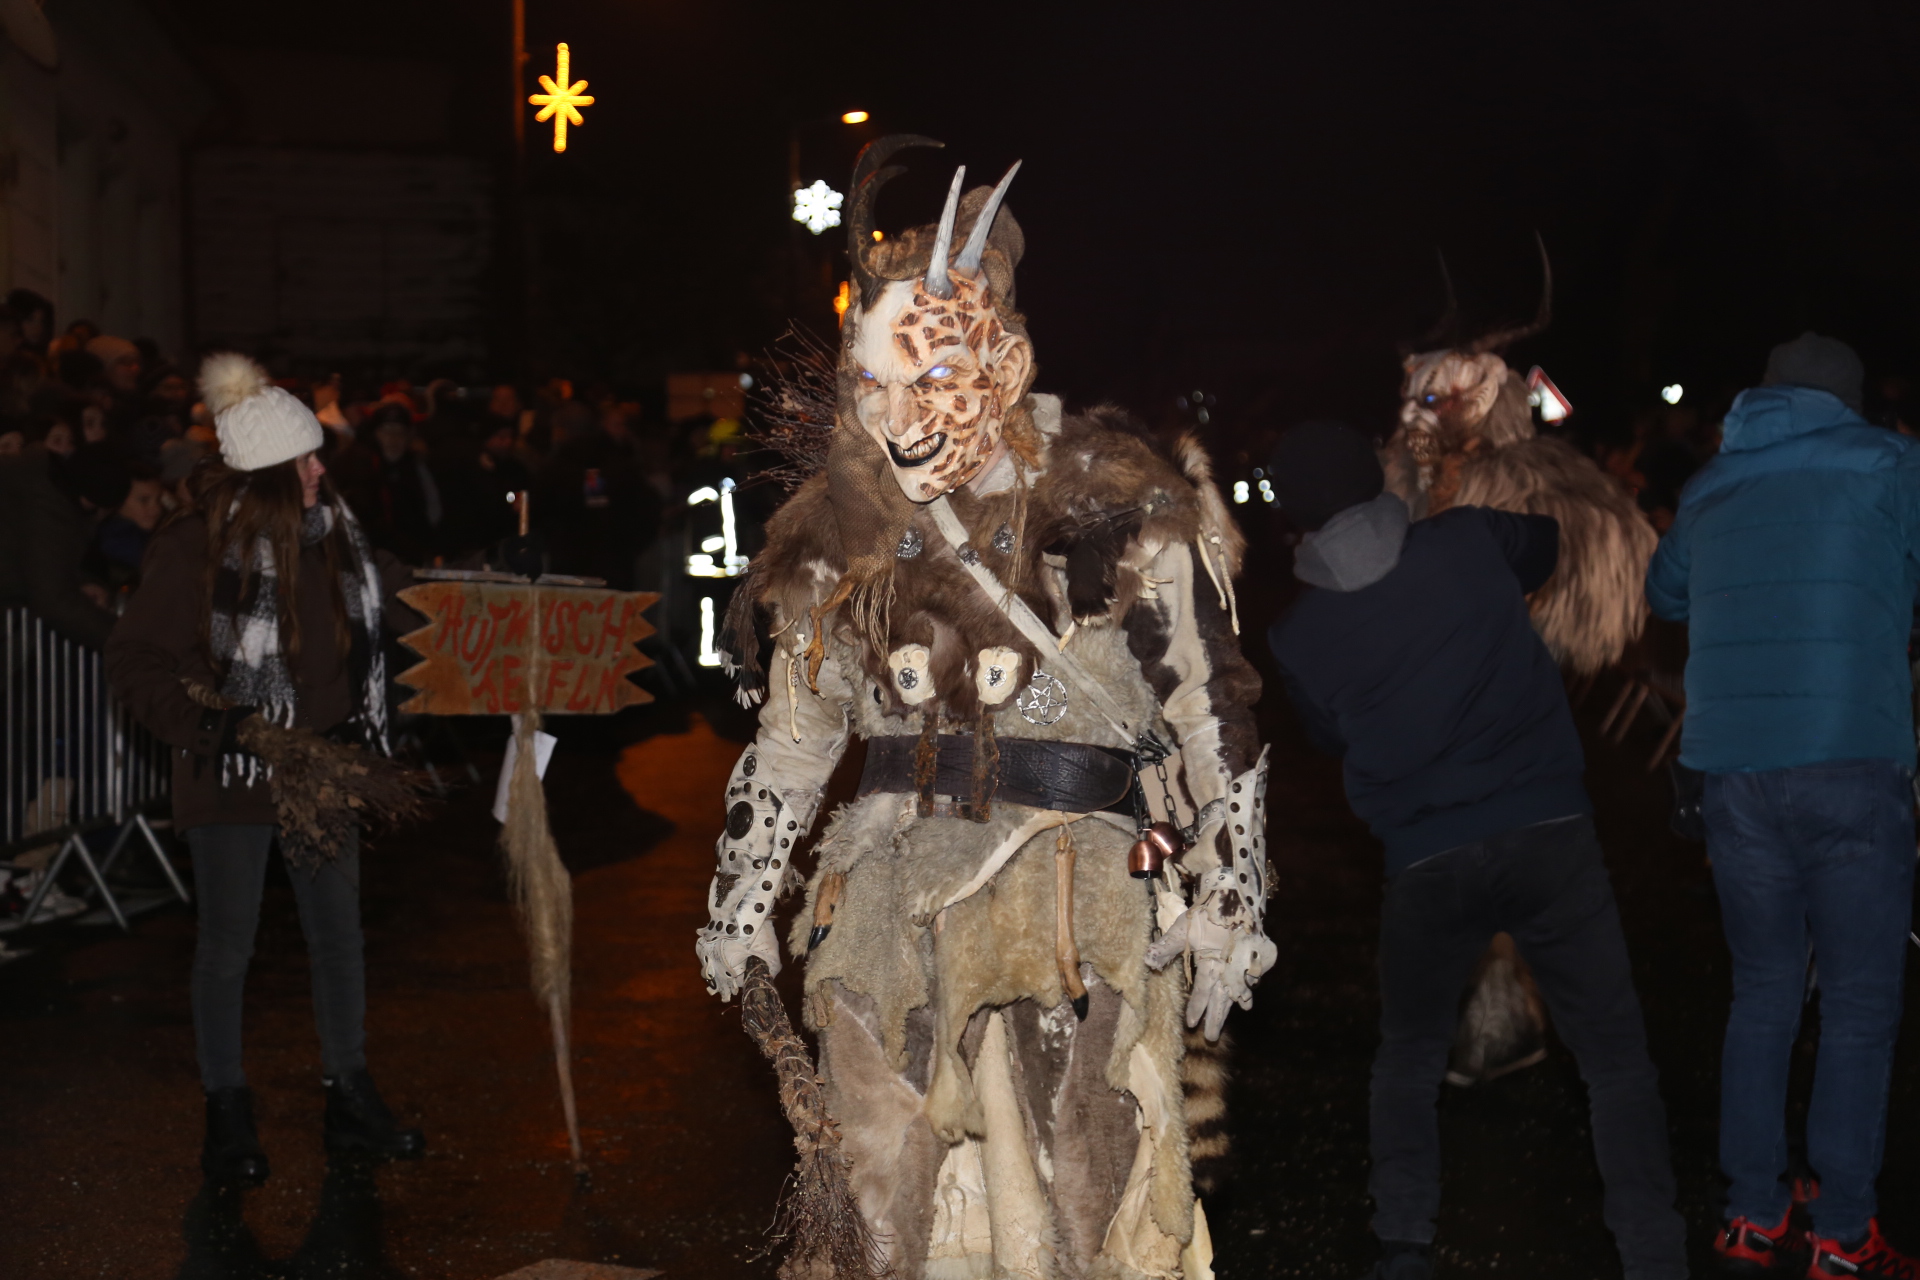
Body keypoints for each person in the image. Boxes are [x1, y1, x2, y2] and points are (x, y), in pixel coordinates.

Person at [698, 139, 1267, 1279]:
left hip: (1073, 905)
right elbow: (797, 739)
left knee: (1075, 1198)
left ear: (1002, 363)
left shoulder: (1114, 502)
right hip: (889, 900)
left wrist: (1230, 890)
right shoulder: (839, 529)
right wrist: (743, 895)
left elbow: (1212, 708)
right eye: (874, 383)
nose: (897, 413)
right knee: (887, 1204)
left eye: (930, 376)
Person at [1267, 422, 1686, 1280]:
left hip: (1427, 860)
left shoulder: (1297, 636)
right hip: (1549, 834)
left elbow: (1329, 735)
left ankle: (1404, 1247)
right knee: (1613, 1060)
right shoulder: (1466, 539)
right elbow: (1547, 546)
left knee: (1410, 1059)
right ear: (1374, 480)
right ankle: (1654, 1255)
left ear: (1293, 520)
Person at [105, 353, 425, 1185]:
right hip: (233, 767)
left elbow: (412, 599)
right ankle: (228, 1114)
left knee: (338, 937)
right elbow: (135, 658)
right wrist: (220, 726)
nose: (321, 470)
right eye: (306, 460)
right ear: (269, 473)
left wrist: (499, 593)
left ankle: (349, 1098)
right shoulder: (195, 547)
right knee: (228, 945)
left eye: (318, 456)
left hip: (321, 767)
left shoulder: (337, 537)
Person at [1647, 333, 1920, 1280]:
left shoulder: (1712, 482)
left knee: (1763, 993)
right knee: (1857, 1005)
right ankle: (1843, 1233)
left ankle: (1752, 1214)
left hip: (1733, 776)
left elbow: (1664, 593)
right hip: (1851, 763)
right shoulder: (1890, 464)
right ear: (1851, 401)